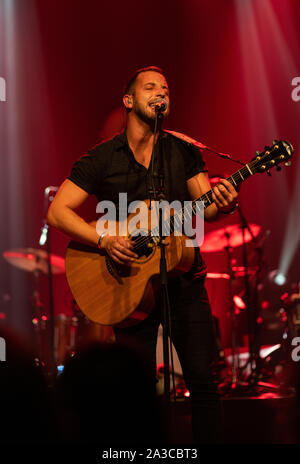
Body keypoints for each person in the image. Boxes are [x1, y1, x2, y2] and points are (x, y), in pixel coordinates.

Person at [47, 66, 238, 443]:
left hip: (184, 281)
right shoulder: (102, 158)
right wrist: (104, 241)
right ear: (129, 100)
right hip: (128, 282)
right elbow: (57, 212)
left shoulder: (183, 150)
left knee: (202, 378)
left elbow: (205, 207)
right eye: (150, 87)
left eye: (165, 88)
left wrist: (223, 203)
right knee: (135, 387)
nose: (160, 92)